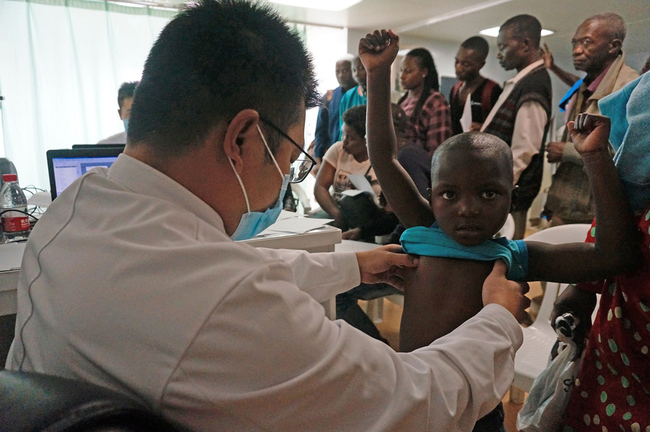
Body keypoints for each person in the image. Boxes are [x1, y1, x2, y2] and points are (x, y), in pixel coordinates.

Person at [5, 2, 534, 430]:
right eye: (289, 157)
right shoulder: (223, 305)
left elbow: (224, 275)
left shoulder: (71, 211)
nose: (288, 176)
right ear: (242, 139)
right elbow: (417, 402)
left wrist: (352, 266)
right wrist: (497, 320)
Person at [359, 28, 639, 432]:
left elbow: (615, 256)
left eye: (489, 194)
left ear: (512, 196)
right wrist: (379, 72)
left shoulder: (511, 259)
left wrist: (593, 155)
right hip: (413, 394)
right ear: (432, 196)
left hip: (479, 411)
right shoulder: (425, 229)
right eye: (449, 194)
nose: (467, 209)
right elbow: (384, 157)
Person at [552, 73, 649, 432]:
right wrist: (584, 283)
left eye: (586, 42)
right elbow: (628, 198)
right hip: (622, 344)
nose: (578, 50)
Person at [542, 14, 639, 225]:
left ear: (613, 46)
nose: (576, 50)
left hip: (597, 213)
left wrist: (566, 150)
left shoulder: (629, 88)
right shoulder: (587, 84)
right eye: (574, 43)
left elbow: (629, 156)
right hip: (567, 204)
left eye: (586, 42)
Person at [480, 14, 552, 240]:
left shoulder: (534, 83)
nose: (499, 54)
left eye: (503, 46)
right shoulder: (523, 81)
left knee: (506, 257)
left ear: (526, 44)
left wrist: (497, 189)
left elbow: (524, 149)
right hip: (500, 189)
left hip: (510, 192)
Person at [314, 104, 398, 242]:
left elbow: (390, 211)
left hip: (369, 219)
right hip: (337, 210)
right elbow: (320, 187)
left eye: (351, 138)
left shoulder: (381, 160)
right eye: (343, 134)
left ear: (367, 140)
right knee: (315, 228)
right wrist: (336, 213)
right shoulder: (337, 150)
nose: (344, 141)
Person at [398, 48, 451, 157]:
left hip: (418, 168)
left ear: (424, 72)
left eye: (408, 71)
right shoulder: (402, 101)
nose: (402, 76)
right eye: (401, 70)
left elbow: (438, 151)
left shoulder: (436, 102)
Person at [449, 36, 502, 135]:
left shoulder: (493, 91)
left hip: (482, 148)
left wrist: (483, 128)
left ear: (481, 65)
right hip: (456, 148)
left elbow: (501, 129)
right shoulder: (455, 90)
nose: (459, 68)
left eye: (466, 64)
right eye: (457, 62)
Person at [312, 56, 356, 175]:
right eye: (338, 71)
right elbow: (320, 129)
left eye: (345, 71)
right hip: (333, 155)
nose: (341, 75)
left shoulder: (361, 95)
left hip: (357, 157)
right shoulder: (329, 96)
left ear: (354, 70)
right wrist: (318, 157)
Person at [336, 56, 367, 141]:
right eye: (354, 70)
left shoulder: (379, 95)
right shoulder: (348, 96)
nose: (357, 73)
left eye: (361, 68)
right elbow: (342, 129)